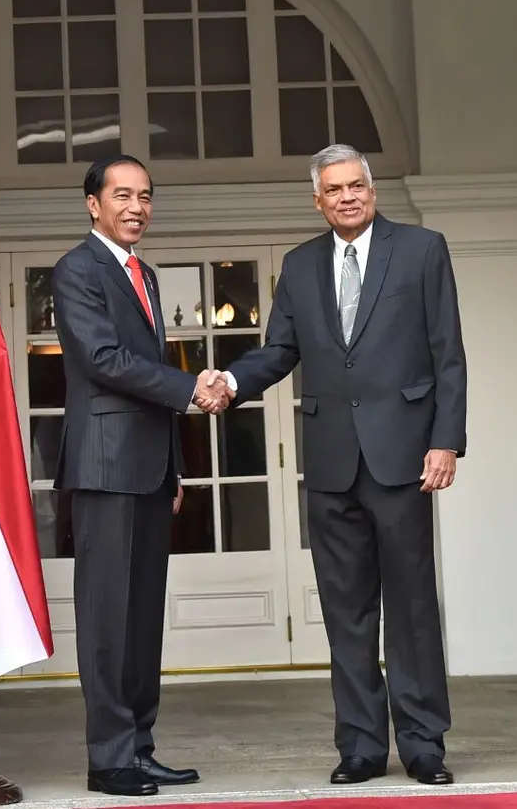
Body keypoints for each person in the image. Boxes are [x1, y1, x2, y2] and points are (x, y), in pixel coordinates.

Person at [211, 143, 467, 787]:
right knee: (346, 610)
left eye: (357, 185)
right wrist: (230, 382)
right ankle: (359, 746)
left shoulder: (421, 249)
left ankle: (423, 743)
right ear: (317, 199)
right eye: (335, 189)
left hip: (404, 456)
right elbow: (278, 351)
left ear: (371, 190)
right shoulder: (299, 267)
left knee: (410, 607)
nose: (348, 196)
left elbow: (448, 354)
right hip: (330, 462)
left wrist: (446, 441)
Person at [51, 156, 226, 798]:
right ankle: (108, 760)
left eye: (146, 196)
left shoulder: (145, 274)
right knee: (106, 618)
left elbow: (145, 368)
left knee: (141, 618)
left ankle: (139, 748)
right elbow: (102, 359)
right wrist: (191, 387)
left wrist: (176, 466)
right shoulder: (77, 270)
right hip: (104, 466)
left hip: (150, 469)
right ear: (92, 204)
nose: (136, 207)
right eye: (121, 195)